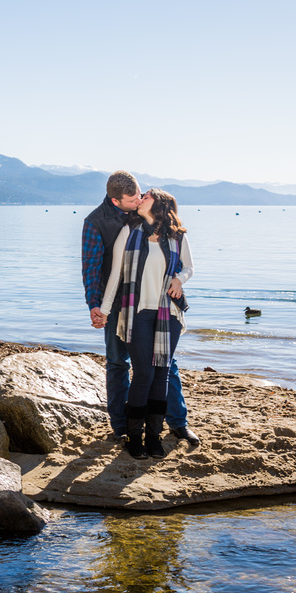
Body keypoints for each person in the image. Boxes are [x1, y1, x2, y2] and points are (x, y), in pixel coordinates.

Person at [82, 172, 200, 447]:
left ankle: (177, 422)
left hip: (159, 306)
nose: (138, 199)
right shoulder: (97, 222)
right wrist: (97, 306)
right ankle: (122, 426)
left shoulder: (167, 230)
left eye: (141, 195)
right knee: (118, 362)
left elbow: (182, 265)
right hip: (120, 304)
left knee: (165, 367)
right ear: (116, 200)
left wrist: (178, 279)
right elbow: (93, 269)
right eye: (133, 198)